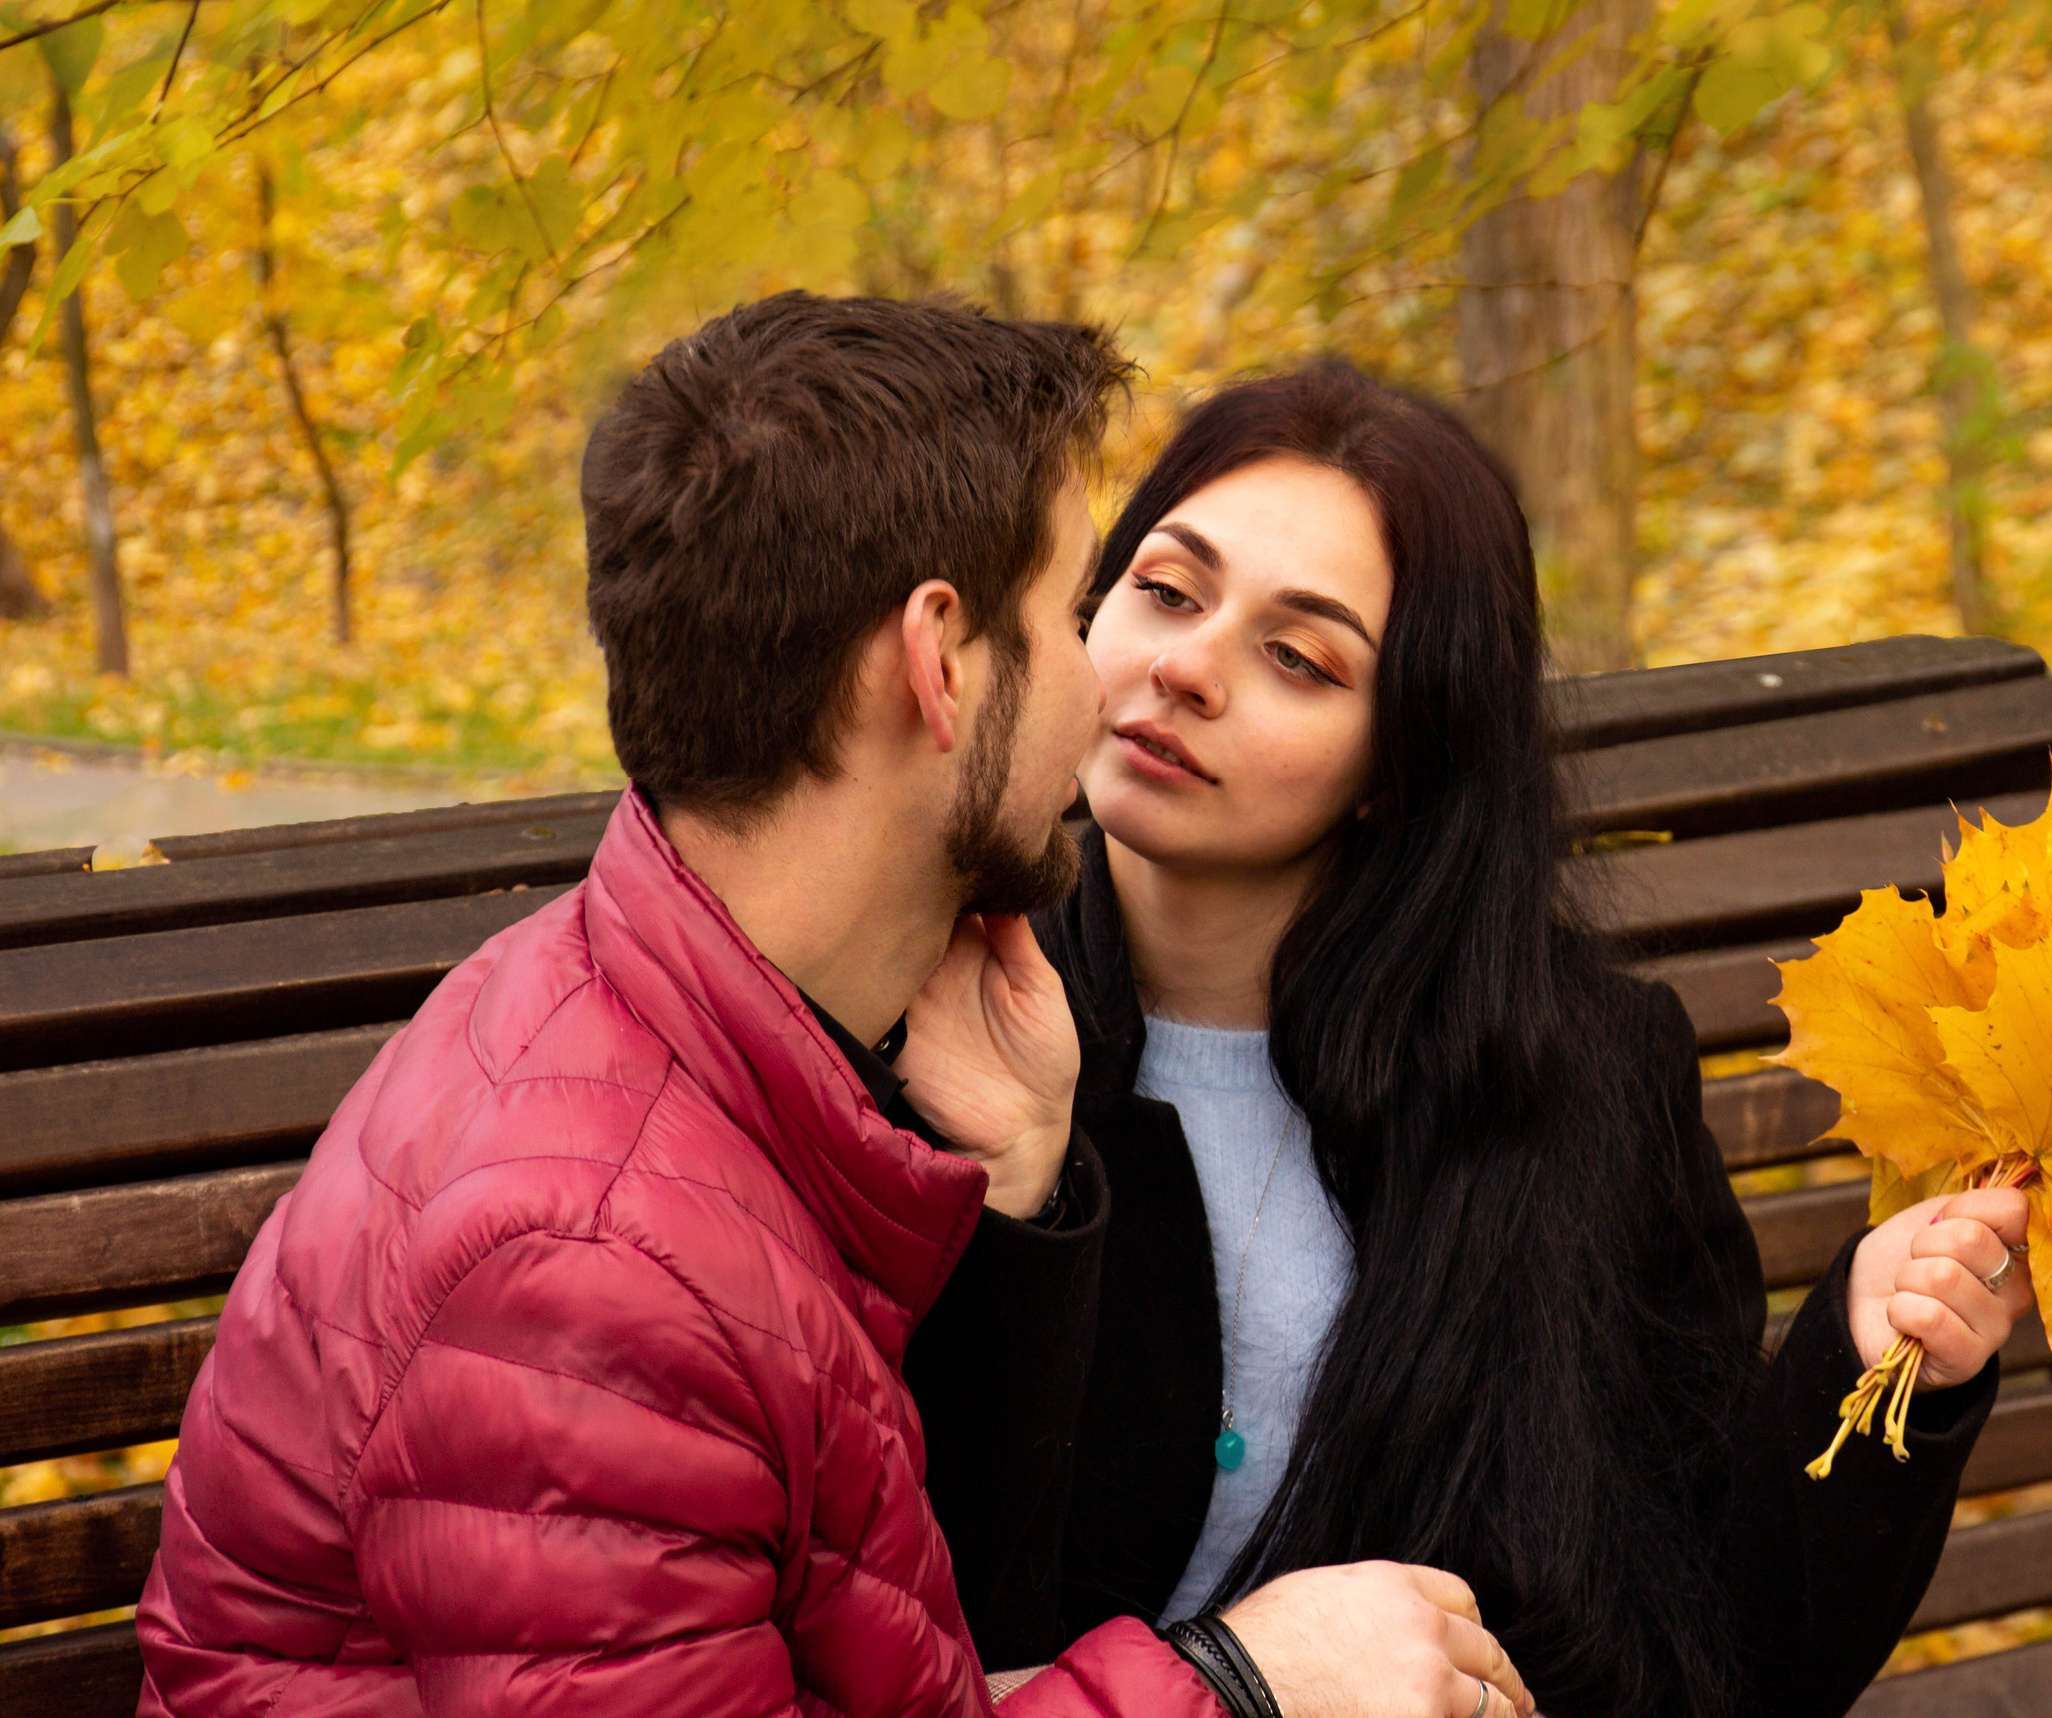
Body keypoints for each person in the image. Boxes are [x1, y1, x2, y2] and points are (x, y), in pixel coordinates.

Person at [131, 298, 1535, 1718]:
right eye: (1068, 614)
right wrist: (1238, 1685)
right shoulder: (596, 1274)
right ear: (939, 661)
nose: (1115, 676)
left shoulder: (693, 1020)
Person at [900, 361, 2037, 1718]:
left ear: (1398, 761)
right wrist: (1016, 1212)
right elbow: (896, 1623)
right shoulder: (928, 1019)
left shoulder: (1566, 1081)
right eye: (1167, 588)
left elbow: (1716, 1647)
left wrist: (1870, 1357)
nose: (1187, 667)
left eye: (1297, 657)